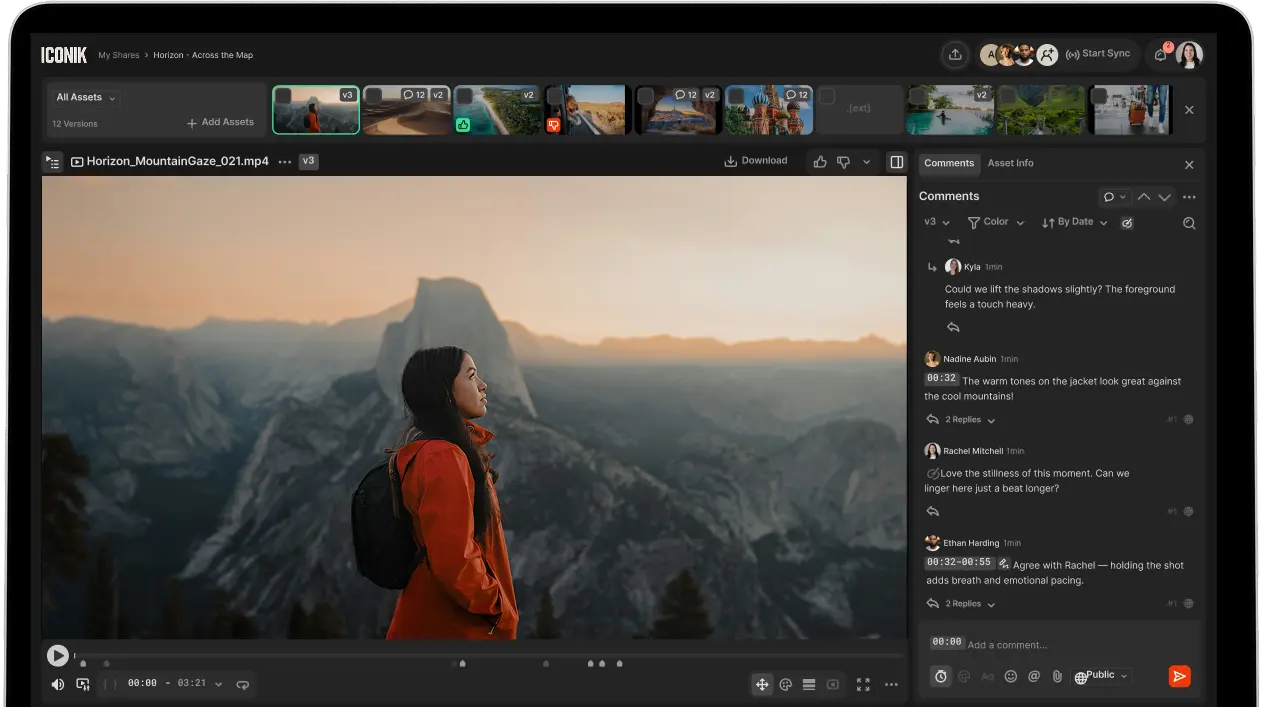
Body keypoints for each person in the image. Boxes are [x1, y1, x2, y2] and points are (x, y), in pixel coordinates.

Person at [386, 346, 519, 640]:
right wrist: (499, 609)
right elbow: (454, 560)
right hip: (452, 626)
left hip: (439, 619)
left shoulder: (426, 450)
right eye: (471, 376)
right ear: (445, 391)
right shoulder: (444, 457)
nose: (483, 385)